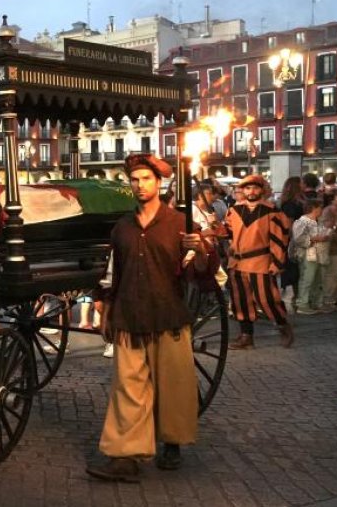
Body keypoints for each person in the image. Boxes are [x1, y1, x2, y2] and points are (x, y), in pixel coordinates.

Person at [85, 154, 206, 482]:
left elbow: (201, 274)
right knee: (128, 388)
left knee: (173, 385)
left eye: (146, 179)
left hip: (167, 314)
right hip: (129, 316)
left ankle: (172, 442)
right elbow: (113, 273)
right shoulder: (122, 227)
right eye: (135, 179)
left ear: (159, 182)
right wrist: (105, 306)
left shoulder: (180, 224)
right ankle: (125, 457)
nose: (140, 185)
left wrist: (200, 249)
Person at [225, 174, 293, 350]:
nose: (251, 191)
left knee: (267, 299)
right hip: (237, 264)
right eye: (247, 188)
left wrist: (277, 263)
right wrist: (212, 228)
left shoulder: (272, 212)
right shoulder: (234, 210)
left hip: (260, 261)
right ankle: (246, 336)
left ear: (262, 190)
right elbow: (228, 232)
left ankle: (283, 326)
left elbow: (279, 239)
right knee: (240, 301)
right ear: (243, 190)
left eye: (255, 188)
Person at [289, 199, 330, 315]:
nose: (321, 210)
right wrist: (315, 239)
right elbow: (298, 239)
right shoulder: (302, 221)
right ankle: (303, 304)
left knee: (317, 279)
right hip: (308, 255)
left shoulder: (317, 221)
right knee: (307, 279)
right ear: (315, 208)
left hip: (318, 254)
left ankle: (315, 302)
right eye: (320, 207)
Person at [278, 176, 307, 311]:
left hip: (299, 239)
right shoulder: (290, 204)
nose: (304, 185)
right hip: (294, 241)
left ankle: (298, 298)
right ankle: (294, 299)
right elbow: (288, 225)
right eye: (301, 183)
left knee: (299, 271)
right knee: (295, 271)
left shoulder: (297, 202)